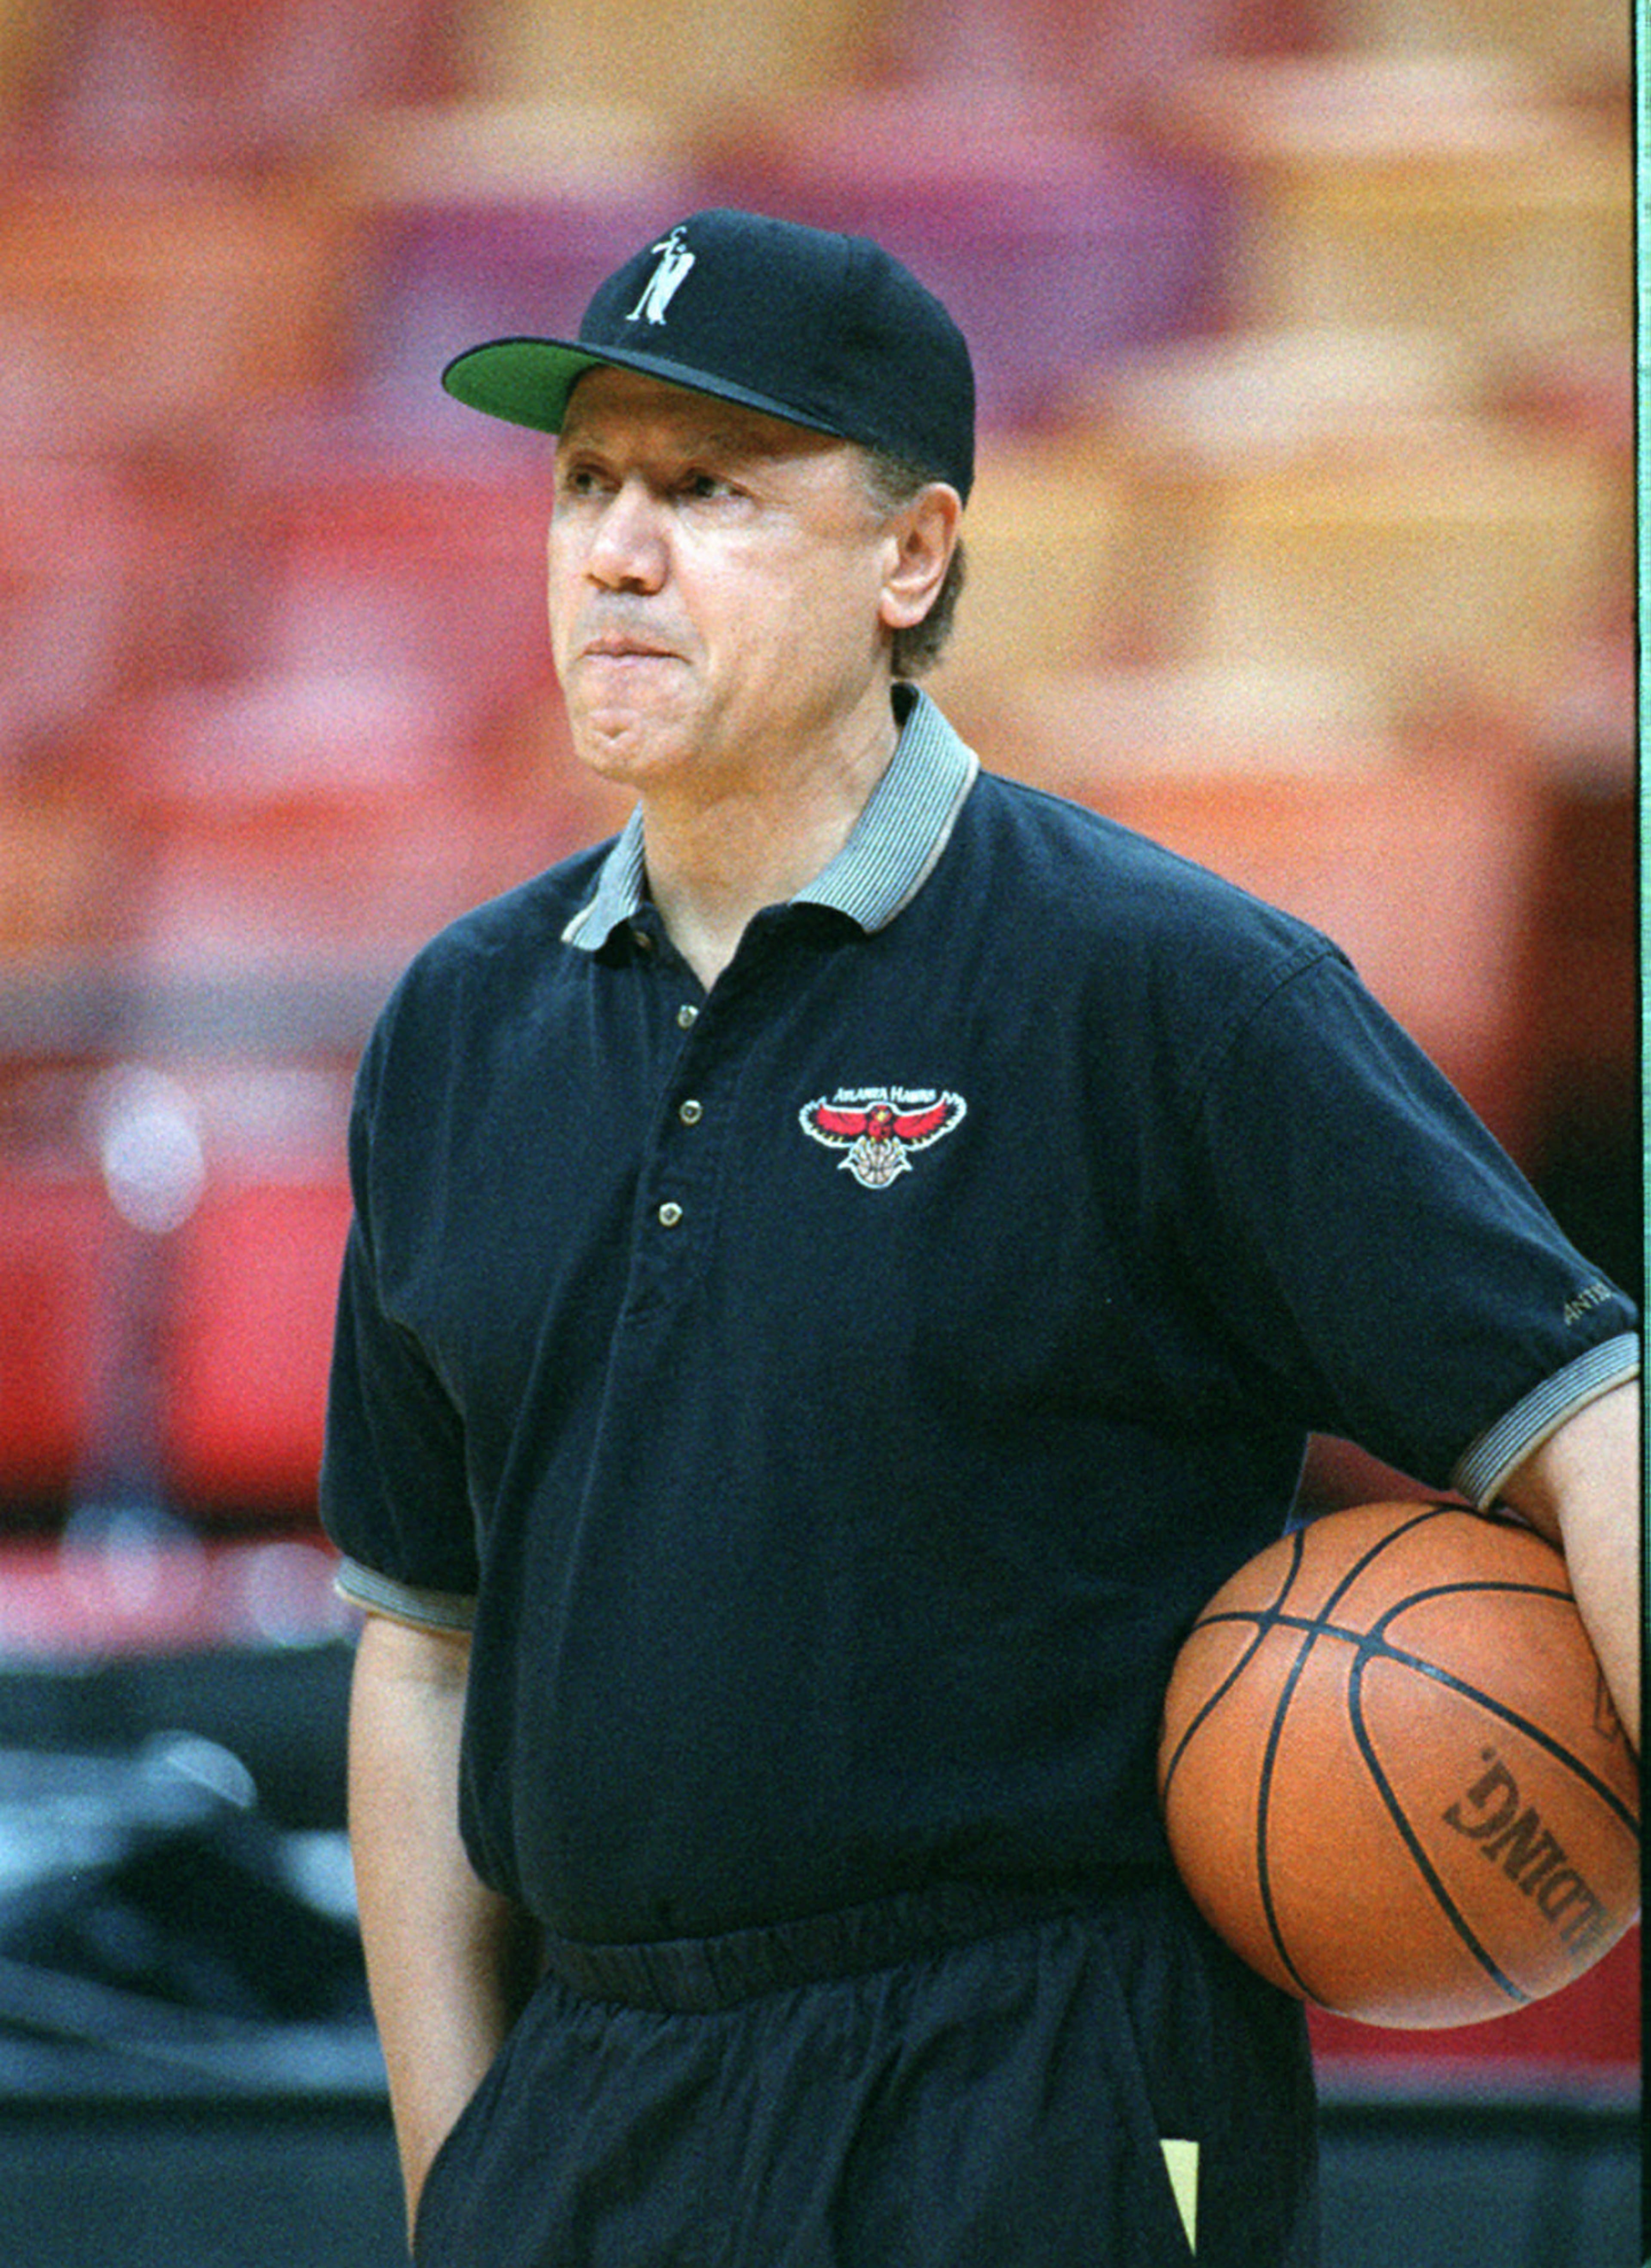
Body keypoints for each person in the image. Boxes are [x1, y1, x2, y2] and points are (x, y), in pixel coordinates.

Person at [319, 209, 1640, 2268]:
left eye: (710, 489)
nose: (617, 552)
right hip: (600, 2098)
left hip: (1054, 2087)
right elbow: (423, 1644)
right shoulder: (455, 1028)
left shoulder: (1167, 987)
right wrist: (457, 2180)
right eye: (586, 482)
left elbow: (1594, 1414)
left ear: (912, 557)